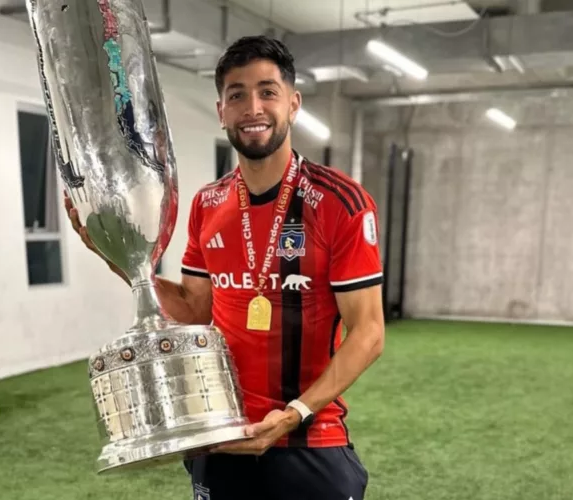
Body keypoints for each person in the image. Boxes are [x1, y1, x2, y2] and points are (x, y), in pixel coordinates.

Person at [66, 35, 385, 500]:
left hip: (307, 439)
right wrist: (125, 263)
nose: (252, 107)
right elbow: (194, 310)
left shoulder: (341, 203)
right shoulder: (208, 204)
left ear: (293, 104)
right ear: (221, 111)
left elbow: (369, 332)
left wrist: (294, 412)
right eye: (237, 95)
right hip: (220, 436)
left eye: (267, 92)